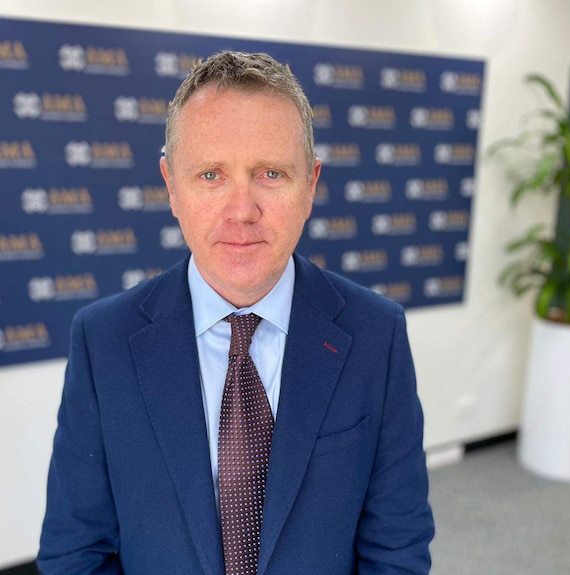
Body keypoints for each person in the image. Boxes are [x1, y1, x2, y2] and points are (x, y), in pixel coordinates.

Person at [38, 51, 434, 574]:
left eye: (270, 173)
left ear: (311, 185)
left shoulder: (376, 334)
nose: (242, 210)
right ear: (171, 186)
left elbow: (397, 549)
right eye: (210, 175)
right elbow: (75, 553)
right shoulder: (102, 342)